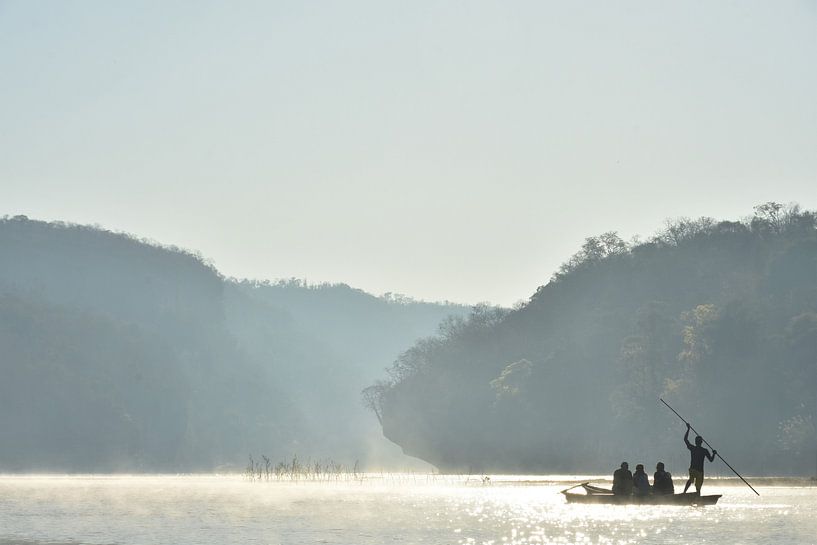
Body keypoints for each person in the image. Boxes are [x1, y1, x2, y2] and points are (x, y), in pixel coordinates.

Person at [683, 423, 717, 494]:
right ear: (701, 442)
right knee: (698, 487)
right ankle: (697, 496)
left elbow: (685, 439)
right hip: (699, 471)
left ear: (696, 442)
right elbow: (711, 460)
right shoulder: (704, 450)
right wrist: (714, 454)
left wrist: (688, 429)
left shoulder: (693, 448)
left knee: (690, 480)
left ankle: (684, 492)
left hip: (694, 469)